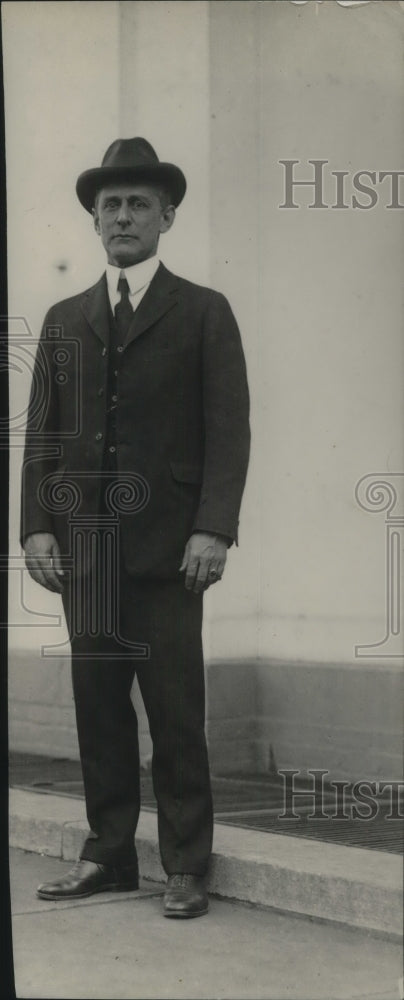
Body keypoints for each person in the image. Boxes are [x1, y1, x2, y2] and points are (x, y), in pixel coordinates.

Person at [21, 137, 250, 918]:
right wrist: (35, 530)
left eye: (138, 204)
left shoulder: (204, 312)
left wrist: (213, 527)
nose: (123, 216)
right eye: (110, 205)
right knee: (99, 709)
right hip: (85, 550)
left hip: (169, 553)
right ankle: (109, 854)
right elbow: (42, 438)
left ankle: (187, 864)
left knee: (176, 713)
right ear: (95, 220)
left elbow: (230, 431)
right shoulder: (63, 320)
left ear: (167, 216)